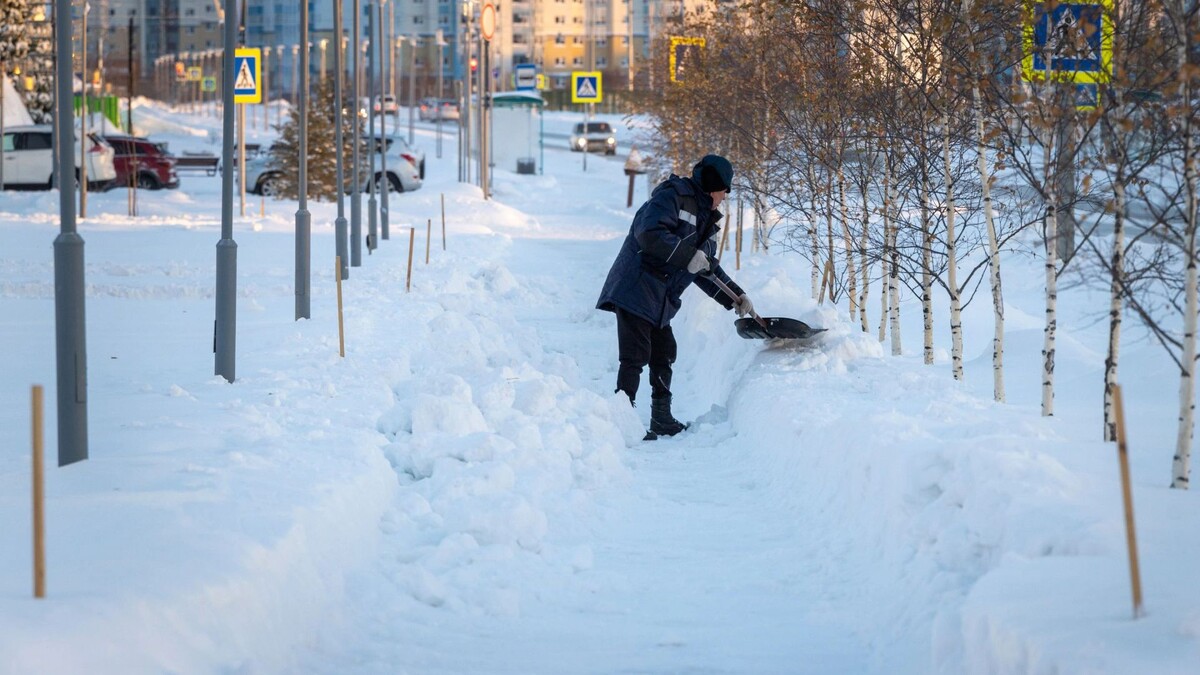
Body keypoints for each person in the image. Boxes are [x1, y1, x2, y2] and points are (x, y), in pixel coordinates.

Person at [596, 154, 754, 439]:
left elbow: (705, 268)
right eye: (723, 190)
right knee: (635, 356)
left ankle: (661, 418)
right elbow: (649, 233)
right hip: (637, 286)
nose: (724, 197)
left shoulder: (708, 222)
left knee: (664, 352)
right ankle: (621, 421)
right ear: (712, 185)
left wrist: (736, 298)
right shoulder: (673, 196)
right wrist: (687, 254)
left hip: (660, 297)